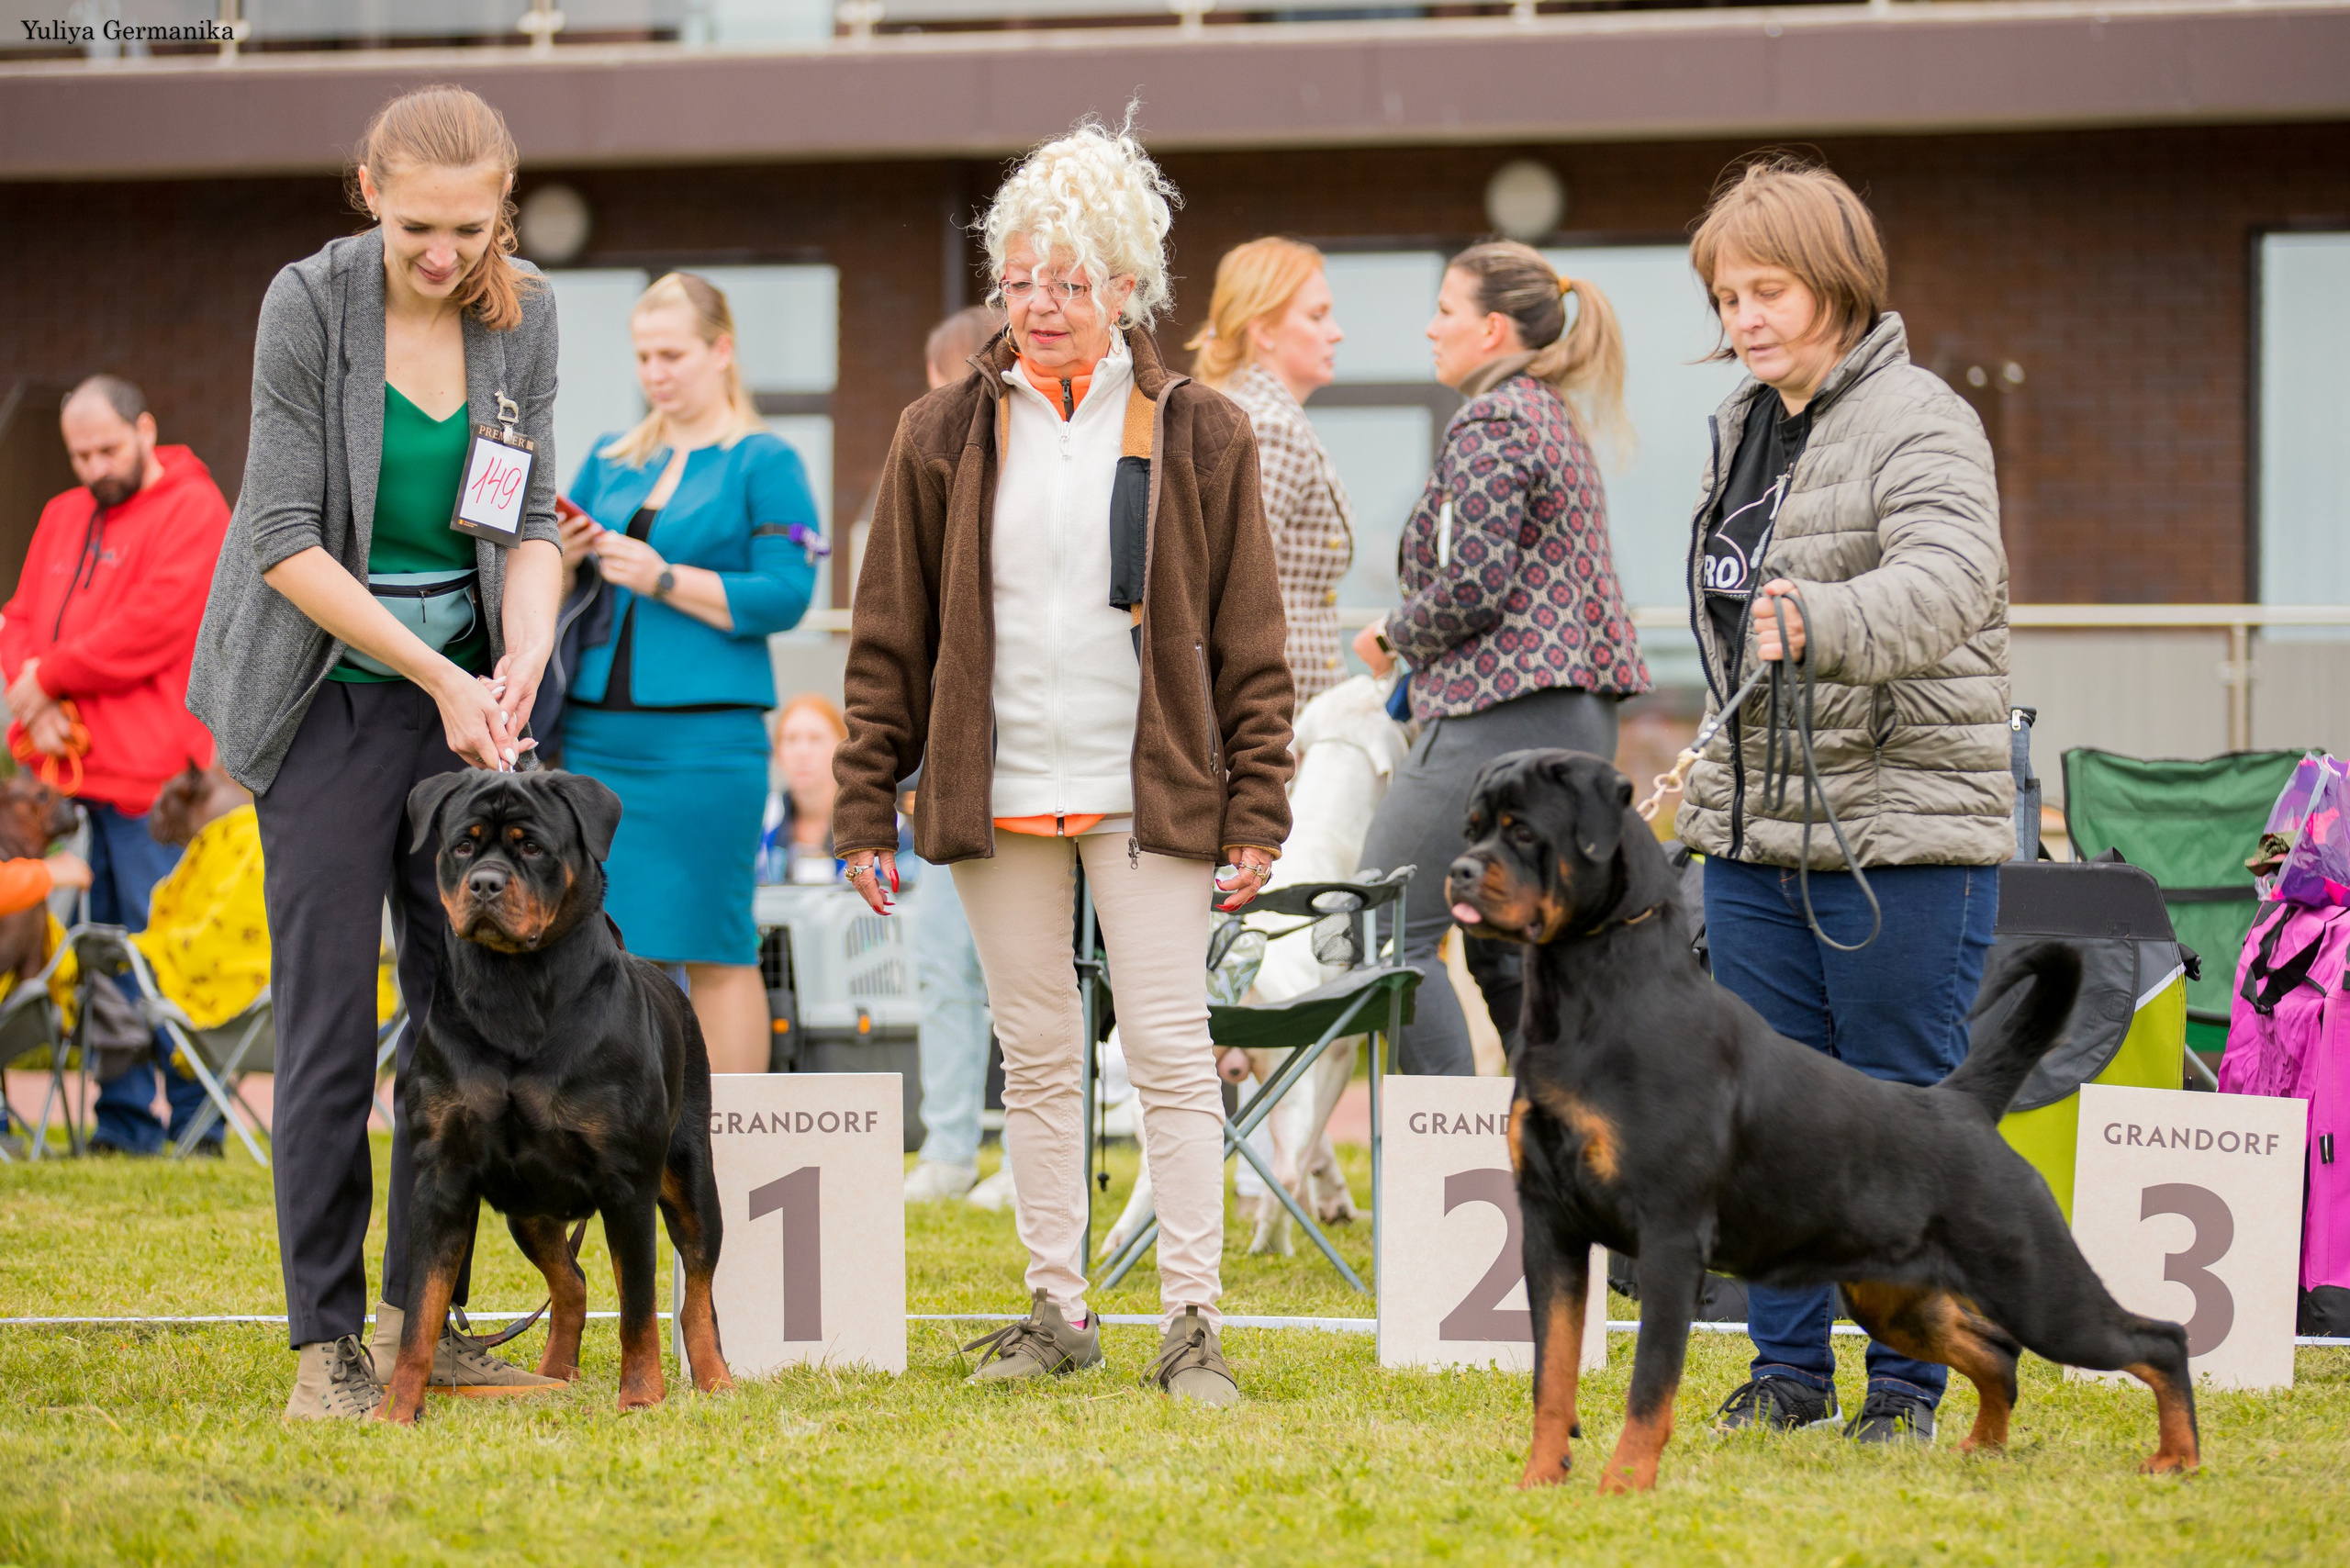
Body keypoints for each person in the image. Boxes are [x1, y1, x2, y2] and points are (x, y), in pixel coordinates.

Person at [834, 116, 1293, 1404]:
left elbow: (1252, 641)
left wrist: (1259, 804)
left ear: (1130, 290)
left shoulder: (1203, 431)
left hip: (1153, 795)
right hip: (998, 790)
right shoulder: (936, 431)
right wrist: (866, 802)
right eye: (1023, 277)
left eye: (1072, 281)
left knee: (1169, 1051)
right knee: (1034, 1058)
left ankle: (1191, 1321)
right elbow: (890, 636)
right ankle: (1056, 1309)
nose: (1042, 303)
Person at [185, 84, 563, 1420]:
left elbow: (523, 524)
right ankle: (323, 1345)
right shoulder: (311, 304)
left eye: (471, 228)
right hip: (330, 698)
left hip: (459, 700)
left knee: (460, 1026)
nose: (445, 255)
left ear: (500, 212)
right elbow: (284, 539)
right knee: (335, 1021)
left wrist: (517, 657)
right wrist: (447, 678)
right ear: (369, 193)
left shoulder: (526, 314)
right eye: (419, 228)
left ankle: (427, 1319)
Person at [1678, 158, 2011, 1447]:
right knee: (1759, 1118)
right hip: (1757, 836)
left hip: (1904, 836)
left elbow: (1950, 581)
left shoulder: (1919, 417)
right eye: (1727, 295)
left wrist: (1821, 615)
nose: (1745, 318)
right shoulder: (1744, 423)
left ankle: (1911, 1390)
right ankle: (1787, 1377)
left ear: (1839, 283)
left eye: (1769, 291)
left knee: (1898, 1118)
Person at [1351, 242, 1649, 1075]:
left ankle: (1456, 1158)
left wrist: (1391, 637)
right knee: (1504, 942)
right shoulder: (1551, 415)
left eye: (1444, 311)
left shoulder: (1492, 422)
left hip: (1499, 715)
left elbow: (1475, 583)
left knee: (1382, 925)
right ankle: (1539, 1163)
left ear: (1488, 328)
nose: (1430, 327)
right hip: (1573, 719)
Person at [556, 272, 823, 1075]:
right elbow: (544, 576)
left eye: (672, 354)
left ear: (722, 350)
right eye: (643, 356)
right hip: (595, 736)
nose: (655, 372)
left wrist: (663, 576)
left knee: (716, 943)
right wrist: (565, 563)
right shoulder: (608, 460)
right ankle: (605, 1129)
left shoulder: (765, 461)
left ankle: (731, 1143)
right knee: (594, 945)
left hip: (708, 744)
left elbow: (788, 594)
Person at [2, 374, 229, 1154]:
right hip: (68, 782)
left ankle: (198, 1123)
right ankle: (124, 1123)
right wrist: (36, 697)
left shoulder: (195, 508)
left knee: (161, 951)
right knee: (96, 963)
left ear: (145, 428)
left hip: (154, 785)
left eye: (106, 447)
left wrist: (47, 679)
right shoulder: (64, 513)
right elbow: (21, 616)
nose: (94, 465)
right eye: (79, 454)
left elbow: (156, 627)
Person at [901, 305, 1009, 1206]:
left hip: (1040, 769)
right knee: (940, 962)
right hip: (942, 771)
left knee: (1032, 975)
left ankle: (1023, 1153)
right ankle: (945, 1147)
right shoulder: (919, 482)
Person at [1187, 239, 1353, 704]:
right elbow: (1238, 591)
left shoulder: (1242, 411)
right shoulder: (1269, 426)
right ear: (1264, 331)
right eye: (1317, 316)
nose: (1336, 333)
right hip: (1282, 717)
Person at [757, 693, 850, 886]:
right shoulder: (759, 820)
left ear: (843, 750)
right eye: (791, 740)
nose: (802, 752)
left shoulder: (883, 823)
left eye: (816, 739)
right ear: (778, 753)